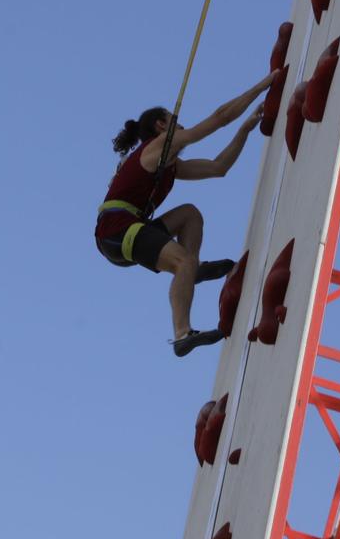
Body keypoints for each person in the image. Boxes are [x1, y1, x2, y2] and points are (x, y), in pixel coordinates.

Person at [96, 75, 272, 356]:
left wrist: (246, 130)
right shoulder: (159, 145)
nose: (183, 128)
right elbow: (220, 118)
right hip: (117, 231)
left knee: (190, 214)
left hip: (125, 230)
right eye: (177, 123)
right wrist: (264, 84)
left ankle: (193, 269)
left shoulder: (171, 166)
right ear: (162, 126)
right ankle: (181, 333)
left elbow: (218, 167)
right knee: (183, 261)